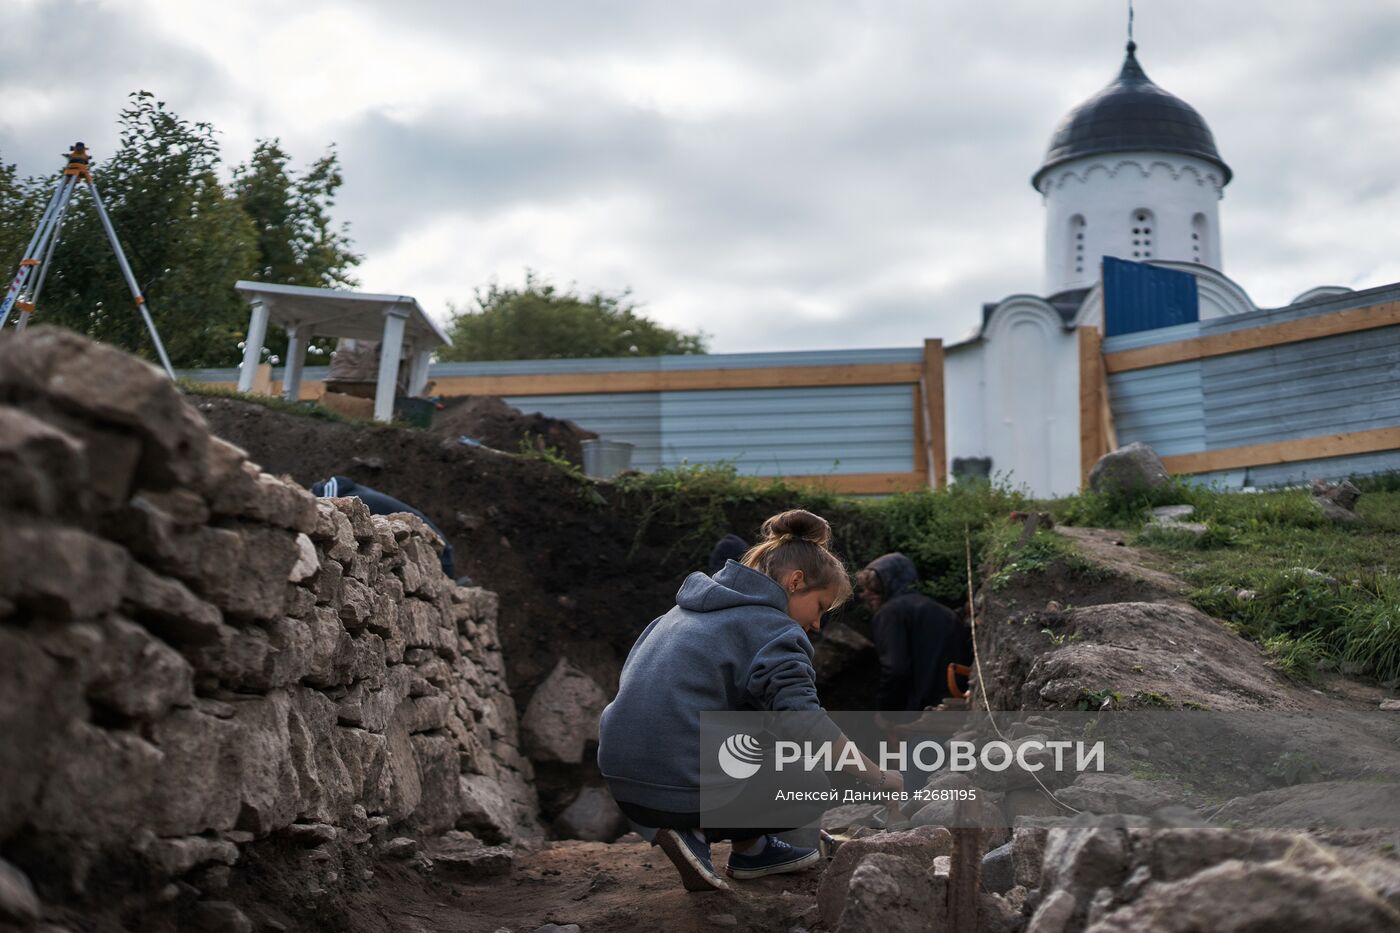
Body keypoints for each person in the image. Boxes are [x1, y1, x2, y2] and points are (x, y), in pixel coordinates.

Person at [598, 510, 903, 892]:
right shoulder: (773, 629)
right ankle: (694, 832)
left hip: (623, 780)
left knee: (756, 731)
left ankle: (754, 849)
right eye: (820, 607)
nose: (816, 625)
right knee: (810, 783)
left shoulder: (680, 612)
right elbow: (804, 721)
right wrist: (877, 776)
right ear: (795, 582)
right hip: (675, 788)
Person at [857, 554, 971, 716]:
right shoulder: (944, 612)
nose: (866, 594)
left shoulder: (890, 613)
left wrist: (886, 714)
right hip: (956, 710)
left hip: (920, 717)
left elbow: (896, 670)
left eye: (872, 587)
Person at [310, 475, 455, 578]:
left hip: (440, 547)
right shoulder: (352, 493)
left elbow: (325, 507)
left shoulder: (337, 493)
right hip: (441, 545)